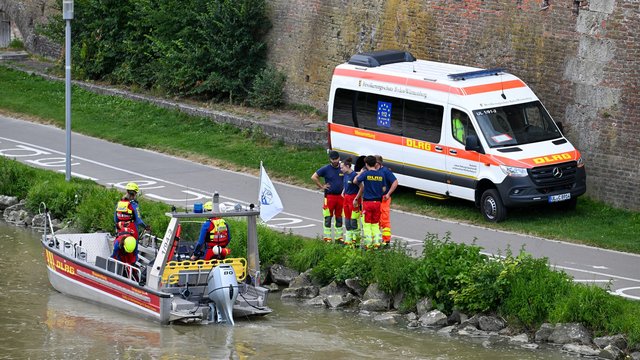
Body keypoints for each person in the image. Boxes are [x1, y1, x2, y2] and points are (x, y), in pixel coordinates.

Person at [353, 155, 387, 249]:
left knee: (367, 224)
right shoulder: (381, 174)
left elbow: (355, 181)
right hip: (378, 203)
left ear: (366, 164)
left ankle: (368, 244)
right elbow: (384, 188)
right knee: (375, 224)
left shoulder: (366, 174)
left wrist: (360, 173)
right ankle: (377, 244)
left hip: (368, 202)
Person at [311, 150, 344, 243]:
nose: (334, 161)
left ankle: (339, 237)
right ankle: (327, 238)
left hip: (341, 197)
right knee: (328, 218)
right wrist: (322, 186)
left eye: (336, 159)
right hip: (329, 197)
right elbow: (314, 177)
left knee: (339, 218)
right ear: (330, 159)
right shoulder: (326, 169)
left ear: (339, 158)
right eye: (333, 160)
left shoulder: (342, 168)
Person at [374, 155, 398, 246]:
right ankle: (375, 240)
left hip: (384, 198)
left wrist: (388, 194)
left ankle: (386, 241)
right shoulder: (371, 170)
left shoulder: (385, 171)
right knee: (375, 220)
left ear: (378, 163)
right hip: (374, 199)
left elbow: (395, 182)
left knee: (384, 219)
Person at [340, 158, 361, 247]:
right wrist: (343, 191)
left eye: (342, 167)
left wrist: (356, 199)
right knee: (347, 221)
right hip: (346, 198)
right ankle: (348, 241)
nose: (341, 169)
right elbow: (346, 184)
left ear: (348, 166)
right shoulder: (345, 175)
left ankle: (355, 241)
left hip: (353, 199)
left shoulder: (354, 176)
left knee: (354, 222)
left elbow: (361, 187)